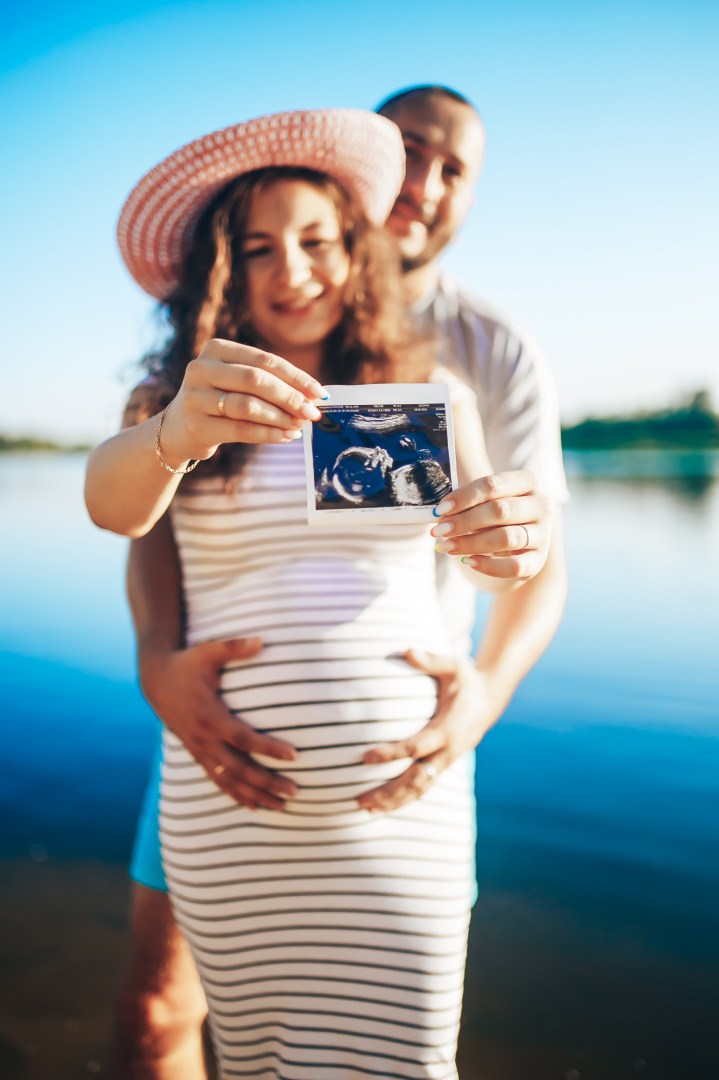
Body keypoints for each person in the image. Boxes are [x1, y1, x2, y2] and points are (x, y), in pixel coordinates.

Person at [87, 105, 555, 1080]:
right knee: (246, 1057)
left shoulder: (427, 397)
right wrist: (173, 433)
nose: (290, 270)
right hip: (225, 816)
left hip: (402, 814)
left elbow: (490, 559)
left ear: (357, 250)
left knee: (406, 1061)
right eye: (256, 249)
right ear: (221, 270)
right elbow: (114, 510)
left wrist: (508, 541)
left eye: (315, 241)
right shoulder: (173, 406)